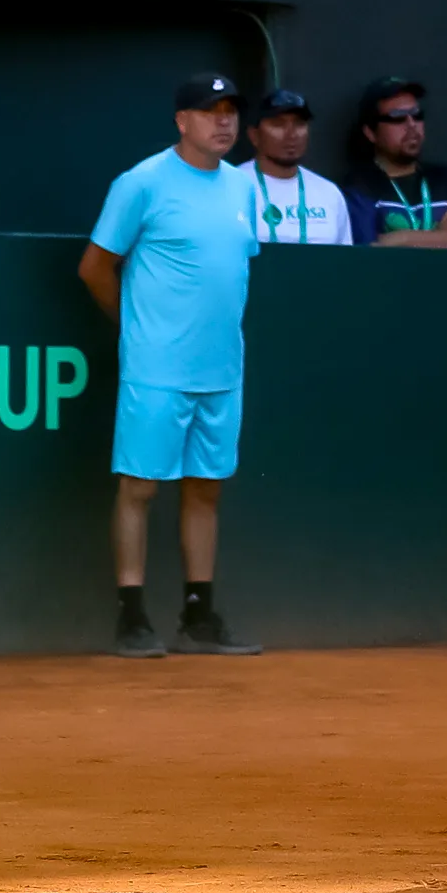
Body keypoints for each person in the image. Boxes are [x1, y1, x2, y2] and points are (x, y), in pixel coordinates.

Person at [80, 73, 262, 660]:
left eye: (231, 111)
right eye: (211, 111)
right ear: (182, 120)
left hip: (222, 371)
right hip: (156, 367)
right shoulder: (142, 183)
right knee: (140, 487)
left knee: (205, 492)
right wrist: (135, 332)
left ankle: (198, 616)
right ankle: (131, 617)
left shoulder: (242, 189)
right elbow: (95, 268)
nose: (224, 121)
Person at [344, 75, 447, 249]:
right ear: (370, 133)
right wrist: (444, 236)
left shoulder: (446, 179)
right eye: (398, 118)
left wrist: (401, 239)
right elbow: (372, 250)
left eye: (417, 115)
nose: (412, 125)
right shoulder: (359, 187)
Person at [242, 87, 352, 246]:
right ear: (254, 135)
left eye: (299, 124)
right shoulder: (233, 186)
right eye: (278, 124)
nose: (291, 135)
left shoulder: (329, 193)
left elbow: (344, 261)